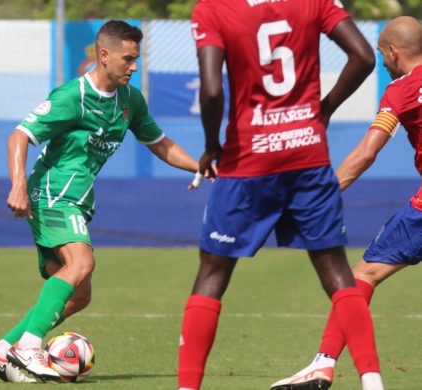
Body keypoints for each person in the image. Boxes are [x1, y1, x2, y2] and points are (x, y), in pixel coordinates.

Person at [178, 1, 386, 390]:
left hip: (247, 161)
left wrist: (211, 146)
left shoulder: (213, 9)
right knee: (337, 271)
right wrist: (322, 110)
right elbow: (362, 56)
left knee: (212, 272)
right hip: (308, 154)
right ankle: (372, 381)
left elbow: (210, 91)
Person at [0, 19, 200, 383]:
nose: (134, 66)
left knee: (80, 294)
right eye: (128, 59)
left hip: (77, 201)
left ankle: (3, 350)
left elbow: (160, 143)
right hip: (54, 193)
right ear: (104, 55)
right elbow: (18, 136)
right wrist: (17, 184)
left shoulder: (130, 101)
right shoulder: (73, 97)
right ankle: (29, 346)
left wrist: (200, 166)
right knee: (82, 261)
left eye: (136, 59)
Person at [270, 15, 422, 390]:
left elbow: (368, 152)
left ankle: (322, 365)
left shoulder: (401, 90)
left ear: (391, 52)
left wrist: (323, 193)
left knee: (361, 276)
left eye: (383, 57)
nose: (385, 64)